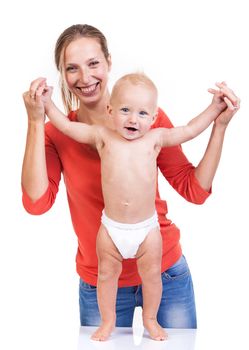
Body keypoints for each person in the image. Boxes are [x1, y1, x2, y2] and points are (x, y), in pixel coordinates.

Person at [21, 24, 240, 339]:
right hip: (101, 274)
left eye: (94, 63)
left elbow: (193, 187)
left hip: (165, 268)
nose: (84, 77)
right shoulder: (63, 132)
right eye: (72, 68)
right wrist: (36, 118)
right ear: (62, 74)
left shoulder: (150, 123)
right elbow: (36, 203)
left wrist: (218, 125)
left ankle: (150, 317)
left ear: (109, 61)